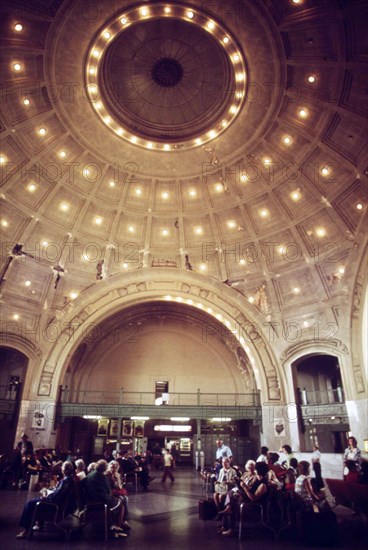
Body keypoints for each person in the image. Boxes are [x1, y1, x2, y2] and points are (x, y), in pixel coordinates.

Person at [16, 461, 76, 538]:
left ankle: (27, 531)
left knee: (30, 504)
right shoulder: (69, 479)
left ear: (64, 469)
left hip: (53, 506)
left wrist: (46, 497)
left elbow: (57, 496)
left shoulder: (66, 481)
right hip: (55, 503)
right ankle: (34, 526)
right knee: (33, 501)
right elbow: (59, 494)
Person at [84, 459, 127, 538]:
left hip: (90, 499)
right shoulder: (102, 476)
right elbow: (109, 491)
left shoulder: (90, 475)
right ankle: (117, 526)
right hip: (101, 500)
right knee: (121, 504)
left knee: (119, 500)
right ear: (105, 468)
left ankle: (117, 524)